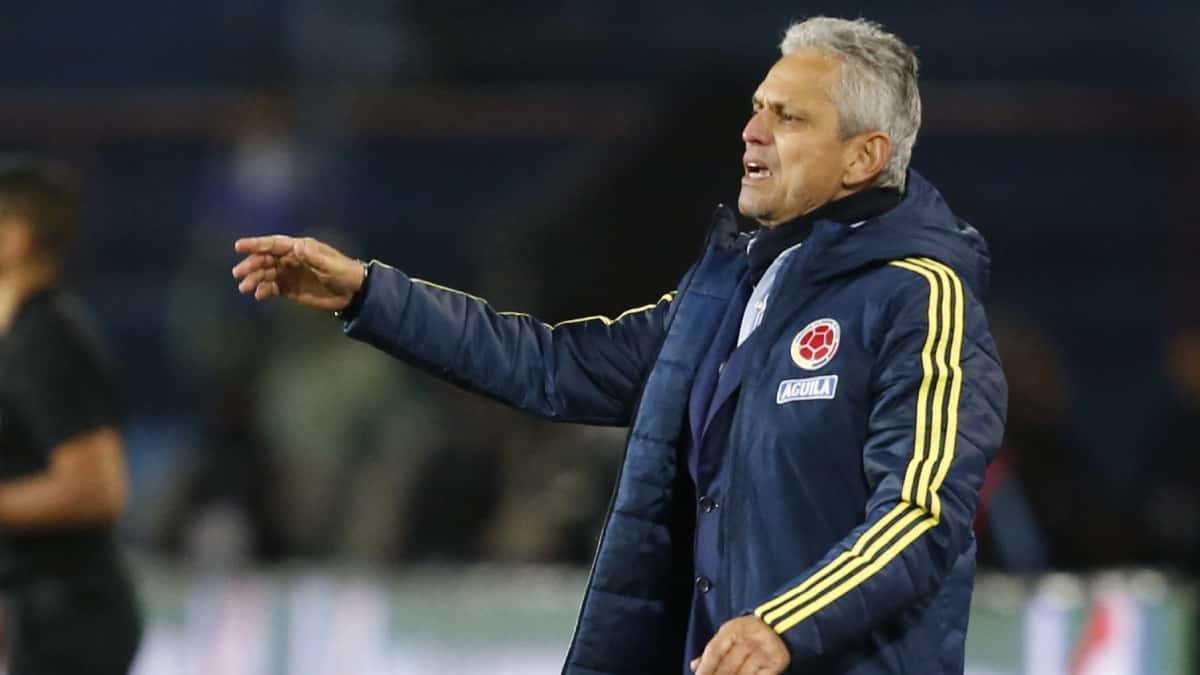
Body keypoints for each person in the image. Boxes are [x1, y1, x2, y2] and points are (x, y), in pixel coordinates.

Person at [232, 16, 1006, 675]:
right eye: (757, 108)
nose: (752, 132)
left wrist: (783, 624)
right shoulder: (729, 293)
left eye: (789, 117)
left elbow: (918, 511)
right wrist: (369, 294)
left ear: (865, 157)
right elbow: (550, 365)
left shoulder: (919, 295)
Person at [0, 162, 141, 674]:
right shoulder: (24, 336)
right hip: (44, 613)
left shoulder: (46, 339)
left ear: (15, 238)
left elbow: (98, 488)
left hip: (72, 617)